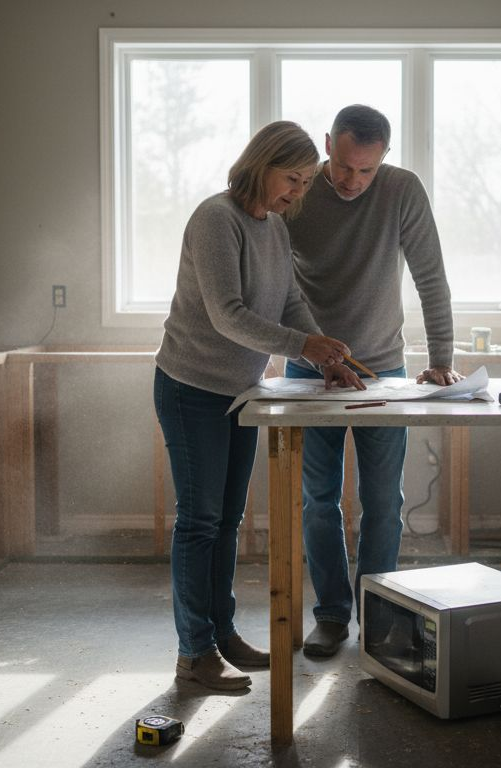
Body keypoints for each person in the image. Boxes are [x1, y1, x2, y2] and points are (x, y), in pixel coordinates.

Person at [154, 121, 362, 690]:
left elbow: (290, 301)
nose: (299, 191)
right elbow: (227, 315)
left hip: (238, 392)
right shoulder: (215, 219)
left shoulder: (271, 227)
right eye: (292, 178)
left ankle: (221, 636)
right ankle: (194, 653)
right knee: (199, 522)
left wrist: (323, 355)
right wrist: (304, 346)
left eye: (306, 181)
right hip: (190, 386)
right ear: (261, 164)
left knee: (227, 521)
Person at [285, 104, 463, 657]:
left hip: (382, 367)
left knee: (384, 500)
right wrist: (316, 353)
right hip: (310, 369)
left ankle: (379, 616)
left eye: (366, 169)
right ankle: (331, 614)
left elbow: (430, 275)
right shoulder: (299, 192)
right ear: (327, 146)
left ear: (384, 157)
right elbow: (277, 286)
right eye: (343, 166)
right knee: (318, 500)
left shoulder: (402, 190)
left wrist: (441, 357)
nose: (352, 181)